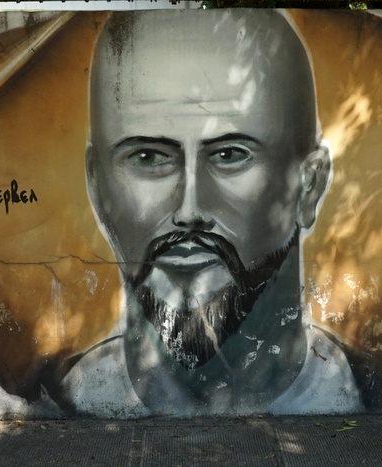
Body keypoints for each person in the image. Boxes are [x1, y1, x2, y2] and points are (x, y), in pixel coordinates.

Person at [54, 10, 362, 417]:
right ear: (96, 186)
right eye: (148, 157)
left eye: (230, 155)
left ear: (309, 185)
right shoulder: (64, 398)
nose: (190, 210)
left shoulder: (381, 391)